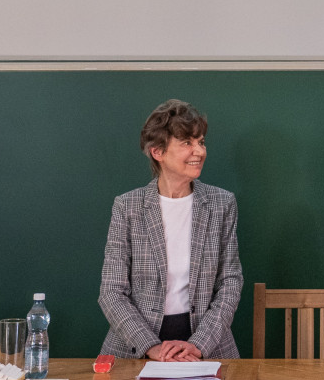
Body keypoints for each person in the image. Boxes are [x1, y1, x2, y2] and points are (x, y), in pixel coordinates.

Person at [99, 99, 242, 360]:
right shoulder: (127, 206)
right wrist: (151, 348)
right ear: (158, 152)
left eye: (201, 142)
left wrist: (198, 344)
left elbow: (230, 282)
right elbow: (111, 292)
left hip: (207, 348)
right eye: (187, 143)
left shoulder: (222, 203)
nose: (199, 151)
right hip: (135, 349)